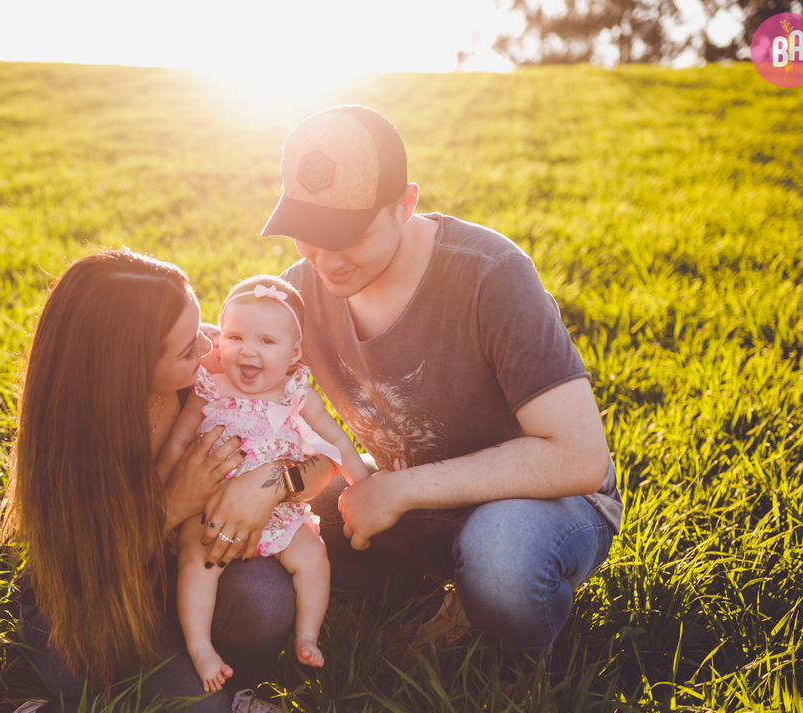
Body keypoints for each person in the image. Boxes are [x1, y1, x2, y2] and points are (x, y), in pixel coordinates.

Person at [255, 104, 624, 663]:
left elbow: (579, 457)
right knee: (279, 516)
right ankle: (428, 590)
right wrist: (264, 488)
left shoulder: (490, 273)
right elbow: (233, 389)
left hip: (533, 503)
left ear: (406, 204)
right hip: (404, 500)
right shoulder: (299, 295)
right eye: (307, 233)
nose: (325, 260)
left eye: (347, 234)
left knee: (502, 557)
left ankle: (512, 661)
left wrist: (398, 490)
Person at [0, 251, 323, 713]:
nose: (210, 346)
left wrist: (277, 481)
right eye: (189, 347)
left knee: (266, 601)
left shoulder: (216, 361)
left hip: (184, 565)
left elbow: (328, 459)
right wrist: (170, 504)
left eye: (203, 330)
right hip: (93, 593)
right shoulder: (73, 436)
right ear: (129, 364)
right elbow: (87, 566)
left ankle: (213, 673)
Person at [156, 276, 369, 691]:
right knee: (195, 563)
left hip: (279, 510)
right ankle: (200, 647)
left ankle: (308, 635)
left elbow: (336, 441)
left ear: (294, 353)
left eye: (267, 342)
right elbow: (178, 442)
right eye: (235, 336)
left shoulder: (296, 394)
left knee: (314, 557)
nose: (247, 350)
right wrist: (161, 491)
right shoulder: (209, 388)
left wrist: (363, 486)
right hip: (209, 511)